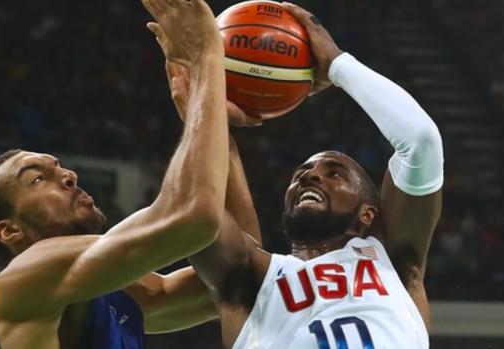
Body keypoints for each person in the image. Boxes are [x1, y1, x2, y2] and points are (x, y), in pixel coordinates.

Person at [165, 2, 443, 348]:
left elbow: (421, 142)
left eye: (334, 173)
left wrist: (338, 64)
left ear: (367, 214)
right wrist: (203, 111)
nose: (310, 178)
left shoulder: (393, 262)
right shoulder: (252, 279)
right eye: (302, 174)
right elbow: (196, 213)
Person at [0, 0, 230, 348]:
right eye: (37, 178)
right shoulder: (24, 279)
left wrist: (210, 113)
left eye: (59, 166)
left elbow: (238, 280)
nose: (69, 175)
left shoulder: (123, 293)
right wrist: (207, 59)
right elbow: (193, 217)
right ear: (10, 230)